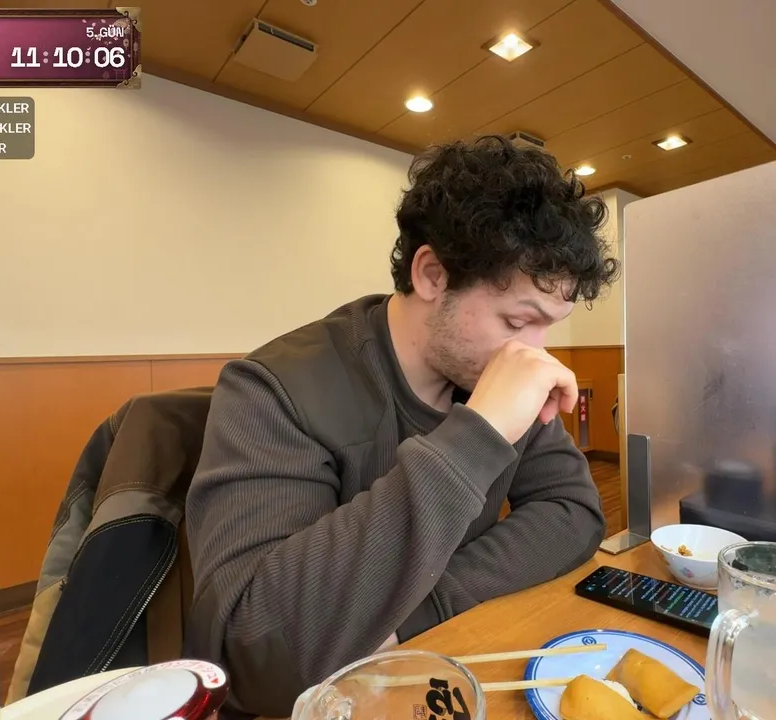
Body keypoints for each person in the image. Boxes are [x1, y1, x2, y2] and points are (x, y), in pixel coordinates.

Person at [184, 134, 620, 718]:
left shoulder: (499, 371)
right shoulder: (274, 390)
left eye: (549, 326)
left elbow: (573, 512)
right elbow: (253, 651)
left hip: (440, 670)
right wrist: (479, 433)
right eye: (519, 321)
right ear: (432, 274)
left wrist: (419, 611)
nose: (535, 352)